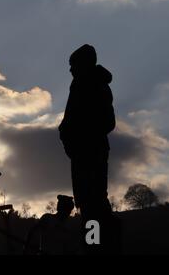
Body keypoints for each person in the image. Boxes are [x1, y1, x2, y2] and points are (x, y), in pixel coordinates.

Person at [58, 44, 119, 253]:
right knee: (89, 203)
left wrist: (80, 135)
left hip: (89, 152)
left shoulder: (91, 85)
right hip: (83, 151)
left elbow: (107, 122)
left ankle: (96, 246)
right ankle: (96, 245)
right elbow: (70, 122)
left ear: (83, 64)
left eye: (73, 65)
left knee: (93, 203)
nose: (70, 70)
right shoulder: (81, 85)